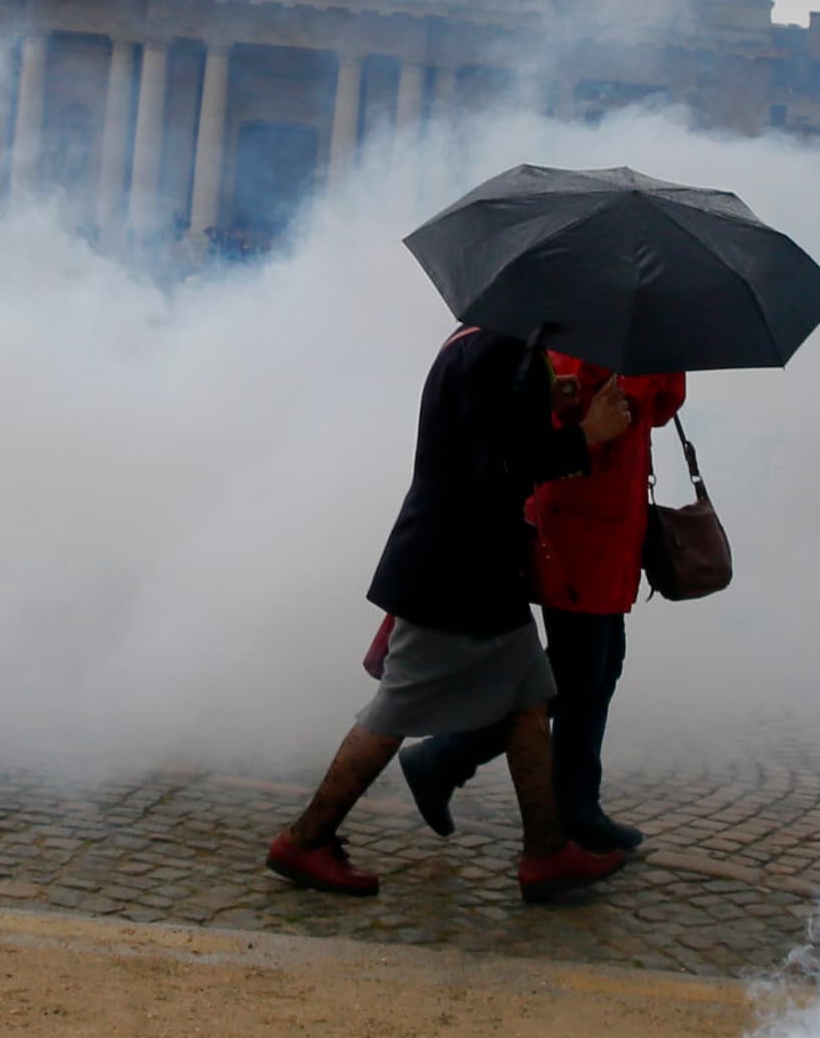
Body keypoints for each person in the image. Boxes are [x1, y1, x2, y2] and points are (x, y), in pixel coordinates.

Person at [266, 326, 634, 905]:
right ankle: (304, 840)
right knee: (393, 712)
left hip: (475, 563)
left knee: (529, 698)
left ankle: (546, 851)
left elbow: (497, 440)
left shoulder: (489, 343)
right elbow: (496, 465)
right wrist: (584, 436)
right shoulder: (496, 353)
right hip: (452, 567)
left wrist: (551, 401)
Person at [396, 354, 686, 855]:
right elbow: (629, 407)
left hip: (610, 520)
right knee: (577, 674)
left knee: (599, 666)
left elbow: (656, 405)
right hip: (579, 521)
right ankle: (455, 761)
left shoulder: (627, 332)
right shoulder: (590, 332)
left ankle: (569, 800)